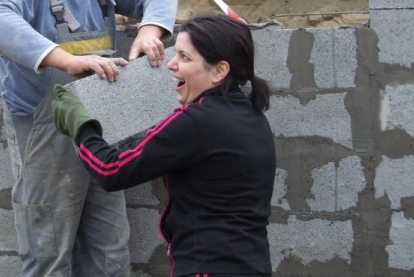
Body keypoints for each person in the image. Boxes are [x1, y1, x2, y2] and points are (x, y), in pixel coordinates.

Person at [0, 0, 177, 276]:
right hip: (46, 133)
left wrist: (150, 29)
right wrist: (66, 61)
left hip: (101, 129)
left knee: (110, 253)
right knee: (48, 254)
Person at [52, 14, 276, 277]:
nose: (171, 64)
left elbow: (111, 170)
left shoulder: (198, 120)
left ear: (219, 71)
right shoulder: (251, 115)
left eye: (184, 57)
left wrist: (81, 126)